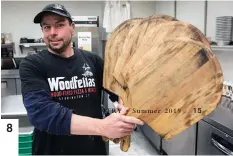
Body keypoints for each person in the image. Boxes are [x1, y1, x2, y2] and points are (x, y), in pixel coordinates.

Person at [19, 3, 144, 155]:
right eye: (46, 27)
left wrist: (123, 102)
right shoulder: (32, 64)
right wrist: (103, 126)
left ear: (72, 27)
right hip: (51, 150)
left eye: (59, 25)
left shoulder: (93, 60)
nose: (52, 32)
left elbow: (116, 88)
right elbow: (42, 113)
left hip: (92, 149)